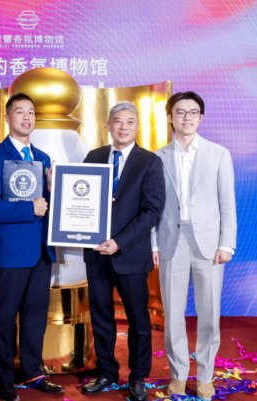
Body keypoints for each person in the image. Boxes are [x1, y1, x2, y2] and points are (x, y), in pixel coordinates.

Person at [151, 91, 237, 400]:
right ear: (170, 117)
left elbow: (228, 203)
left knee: (209, 313)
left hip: (209, 244)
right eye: (180, 112)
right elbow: (152, 206)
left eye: (192, 112)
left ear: (201, 117)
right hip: (170, 241)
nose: (186, 117)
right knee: (173, 314)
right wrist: (153, 244)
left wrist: (227, 244)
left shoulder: (219, 154)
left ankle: (205, 376)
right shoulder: (157, 157)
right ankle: (178, 374)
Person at [0, 93, 64, 401]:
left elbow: (50, 205)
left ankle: (34, 371)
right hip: (12, 252)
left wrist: (54, 190)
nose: (26, 117)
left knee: (35, 315)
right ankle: (3, 379)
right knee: (4, 317)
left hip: (41, 251)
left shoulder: (43, 158)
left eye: (31, 112)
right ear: (7, 118)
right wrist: (29, 208)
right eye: (19, 112)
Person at [81, 101, 165, 401]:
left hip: (129, 253)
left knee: (138, 321)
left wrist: (119, 241)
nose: (123, 127)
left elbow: (152, 210)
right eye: (118, 121)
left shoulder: (150, 162)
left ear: (137, 126)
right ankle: (106, 372)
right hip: (95, 253)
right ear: (108, 125)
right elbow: (80, 198)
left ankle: (138, 377)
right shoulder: (94, 157)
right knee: (101, 316)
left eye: (130, 121)